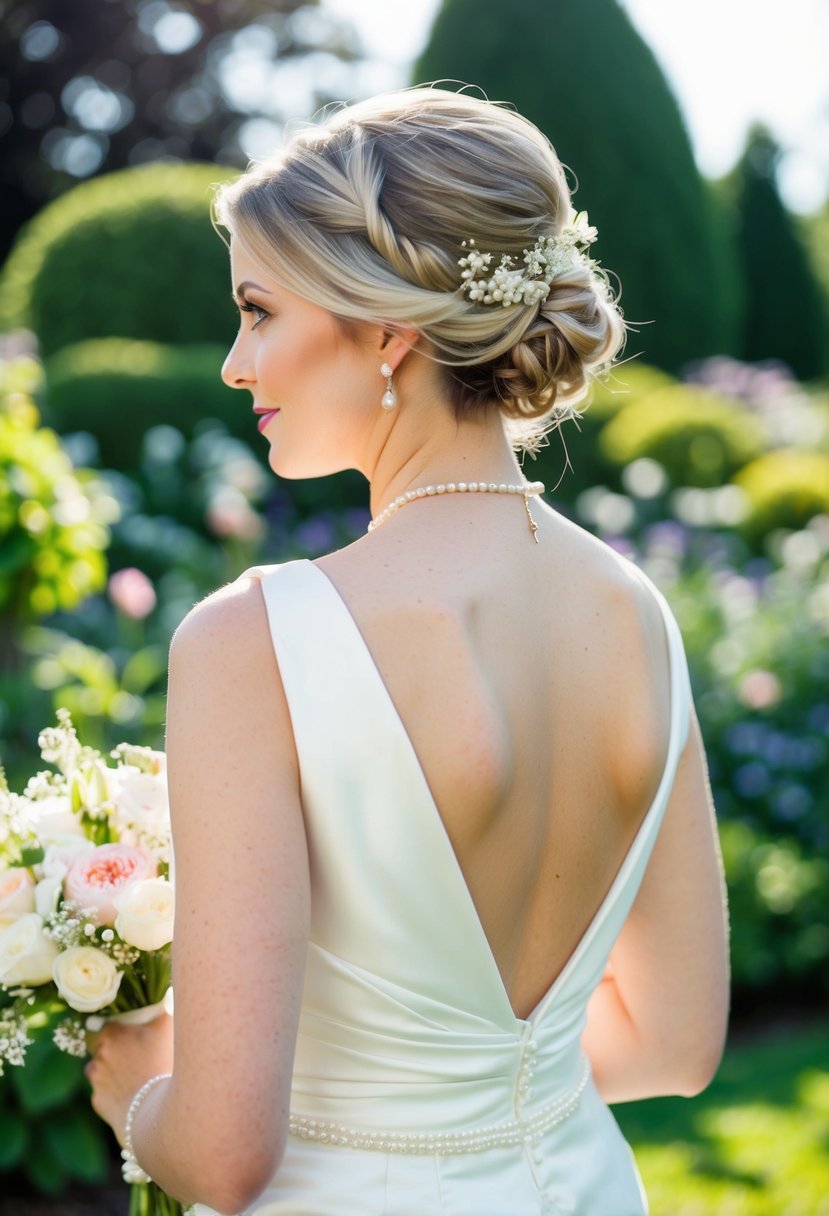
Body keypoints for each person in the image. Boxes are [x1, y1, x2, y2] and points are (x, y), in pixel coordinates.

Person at [84, 87, 730, 1215]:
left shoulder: (255, 640)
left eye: (258, 311)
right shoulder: (635, 613)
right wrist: (470, 1108)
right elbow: (676, 1044)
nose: (236, 365)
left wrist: (140, 1091)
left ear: (385, 329)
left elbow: (226, 1156)